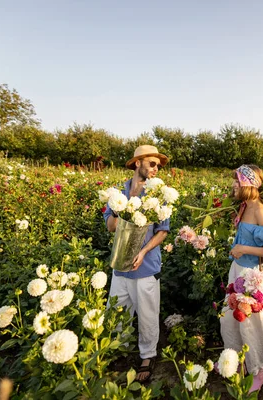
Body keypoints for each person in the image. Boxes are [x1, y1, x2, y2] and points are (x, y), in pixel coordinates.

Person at [103, 145, 170, 382]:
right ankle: (117, 349)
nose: (156, 169)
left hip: (146, 265)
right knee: (116, 310)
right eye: (152, 164)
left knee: (148, 313)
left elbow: (163, 231)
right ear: (137, 163)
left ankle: (147, 355)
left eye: (158, 166)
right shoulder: (118, 193)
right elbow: (110, 227)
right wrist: (121, 209)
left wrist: (143, 252)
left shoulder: (159, 196)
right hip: (121, 264)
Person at [221, 164, 263, 393]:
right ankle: (240, 361)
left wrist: (244, 248)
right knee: (231, 318)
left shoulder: (260, 210)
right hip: (237, 271)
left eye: (237, 181)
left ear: (249, 184)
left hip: (252, 277)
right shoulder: (244, 206)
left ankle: (259, 370)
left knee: (252, 323)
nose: (234, 185)